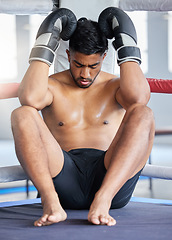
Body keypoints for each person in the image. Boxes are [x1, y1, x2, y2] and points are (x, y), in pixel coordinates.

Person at [11, 7, 155, 227]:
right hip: (63, 178)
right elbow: (29, 98)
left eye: (93, 65)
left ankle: (102, 199)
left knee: (143, 113)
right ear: (68, 55)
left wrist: (126, 47)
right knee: (22, 114)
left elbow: (140, 98)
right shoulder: (53, 86)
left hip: (110, 180)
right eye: (78, 64)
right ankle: (50, 203)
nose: (85, 74)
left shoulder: (115, 86)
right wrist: (45, 43)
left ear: (104, 57)